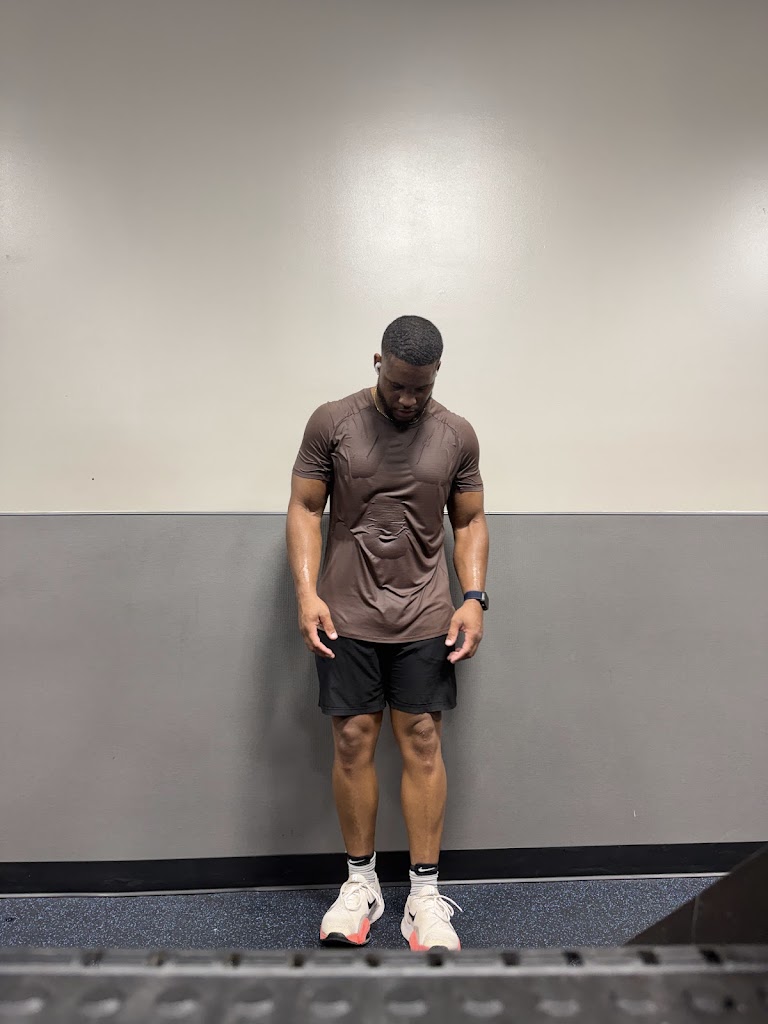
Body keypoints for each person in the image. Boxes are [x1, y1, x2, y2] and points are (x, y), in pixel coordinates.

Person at [286, 315, 489, 951]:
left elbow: (470, 521)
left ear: (436, 375)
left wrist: (474, 598)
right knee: (352, 740)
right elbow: (304, 507)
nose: (407, 399)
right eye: (398, 384)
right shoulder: (332, 423)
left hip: (426, 613)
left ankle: (424, 897)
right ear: (378, 362)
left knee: (423, 740)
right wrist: (307, 594)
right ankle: (361, 885)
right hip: (346, 612)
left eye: (420, 388)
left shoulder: (456, 434)